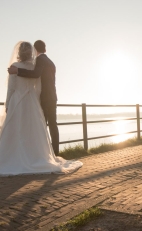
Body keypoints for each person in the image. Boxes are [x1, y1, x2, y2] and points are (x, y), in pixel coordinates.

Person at [0, 41, 83, 175]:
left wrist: (8, 104)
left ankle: (17, 155)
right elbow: (37, 87)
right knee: (40, 129)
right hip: (37, 100)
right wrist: (35, 101)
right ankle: (44, 154)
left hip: (20, 101)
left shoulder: (18, 66)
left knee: (18, 129)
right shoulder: (41, 64)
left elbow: (12, 89)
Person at [8, 40, 59, 156]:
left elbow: (36, 74)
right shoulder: (51, 62)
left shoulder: (40, 60)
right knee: (52, 125)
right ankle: (54, 151)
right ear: (45, 48)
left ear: (35, 50)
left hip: (45, 98)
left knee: (42, 126)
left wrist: (17, 71)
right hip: (52, 97)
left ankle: (45, 153)